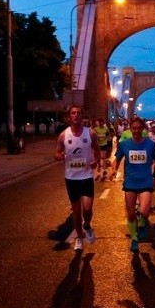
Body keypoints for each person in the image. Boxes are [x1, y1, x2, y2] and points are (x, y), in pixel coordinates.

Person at [54, 105, 100, 252]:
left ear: (82, 116)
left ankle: (87, 225)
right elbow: (56, 153)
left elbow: (97, 149)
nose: (76, 115)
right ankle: (79, 238)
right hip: (71, 177)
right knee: (76, 210)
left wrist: (96, 161)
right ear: (69, 117)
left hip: (86, 176)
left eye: (78, 113)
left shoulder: (90, 133)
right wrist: (59, 156)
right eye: (73, 113)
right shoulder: (63, 135)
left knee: (87, 208)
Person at [111, 117, 155, 252]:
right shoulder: (124, 145)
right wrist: (113, 170)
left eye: (139, 128)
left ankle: (143, 223)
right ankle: (134, 239)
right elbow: (117, 159)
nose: (137, 131)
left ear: (143, 129)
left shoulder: (150, 144)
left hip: (145, 181)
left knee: (144, 211)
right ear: (130, 129)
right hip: (130, 181)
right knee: (131, 214)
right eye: (134, 128)